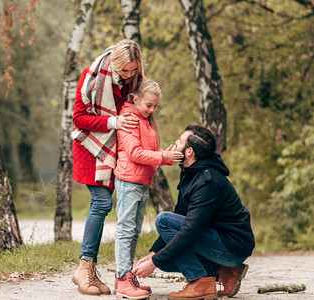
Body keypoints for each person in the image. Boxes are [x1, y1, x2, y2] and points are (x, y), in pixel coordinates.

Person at [132, 125, 255, 300]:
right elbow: (181, 215)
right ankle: (225, 271)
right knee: (165, 262)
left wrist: (153, 262)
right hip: (217, 239)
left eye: (180, 140)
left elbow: (189, 230)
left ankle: (201, 282)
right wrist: (154, 254)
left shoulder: (208, 182)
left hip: (232, 246)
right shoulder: (191, 172)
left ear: (189, 151)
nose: (176, 142)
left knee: (162, 220)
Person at [71, 39, 145, 296]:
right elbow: (79, 119)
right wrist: (113, 121)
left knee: (108, 206)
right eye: (124, 71)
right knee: (102, 204)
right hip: (93, 149)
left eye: (133, 70)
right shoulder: (91, 77)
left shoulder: (133, 81)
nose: (128, 75)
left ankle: (92, 271)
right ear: (114, 63)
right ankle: (84, 267)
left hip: (116, 151)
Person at [113, 78, 183, 300]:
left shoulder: (145, 120)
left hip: (142, 182)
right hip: (128, 181)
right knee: (125, 230)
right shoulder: (129, 119)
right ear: (135, 99)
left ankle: (125, 277)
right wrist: (162, 156)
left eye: (155, 106)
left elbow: (147, 150)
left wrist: (166, 156)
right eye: (148, 105)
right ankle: (123, 278)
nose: (152, 110)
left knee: (134, 231)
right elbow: (134, 153)